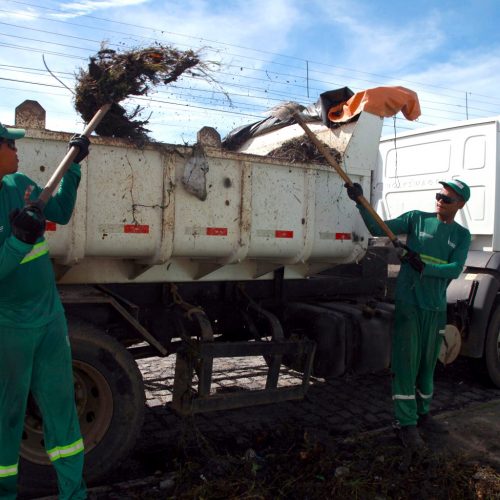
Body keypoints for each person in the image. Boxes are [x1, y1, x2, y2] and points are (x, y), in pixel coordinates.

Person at [345, 179, 471, 449]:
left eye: (447, 199)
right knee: (406, 365)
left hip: (435, 308)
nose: (440, 201)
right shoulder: (417, 219)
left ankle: (423, 415)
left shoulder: (461, 235)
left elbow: (455, 268)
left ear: (460, 204)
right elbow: (379, 227)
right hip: (410, 304)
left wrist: (422, 265)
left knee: (427, 366)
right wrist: (360, 202)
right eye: (438, 195)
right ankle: (406, 424)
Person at [0, 122, 89, 499]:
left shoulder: (19, 185)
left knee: (62, 413)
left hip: (50, 321)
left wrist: (74, 168)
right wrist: (19, 241)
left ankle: (74, 494)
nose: (16, 150)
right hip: (9, 329)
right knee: (6, 419)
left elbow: (62, 212)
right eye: (9, 144)